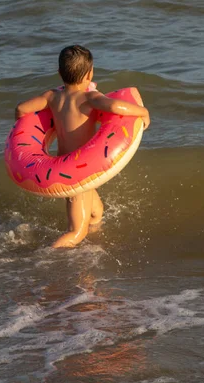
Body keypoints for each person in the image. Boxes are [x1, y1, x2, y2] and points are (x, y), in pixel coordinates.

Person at [14, 45, 151, 248]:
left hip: (65, 166)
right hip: (75, 175)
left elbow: (21, 109)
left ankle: (90, 253)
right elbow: (114, 106)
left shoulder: (52, 96)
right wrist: (143, 112)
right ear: (90, 73)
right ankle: (46, 259)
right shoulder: (89, 98)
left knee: (97, 212)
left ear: (60, 73)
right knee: (77, 232)